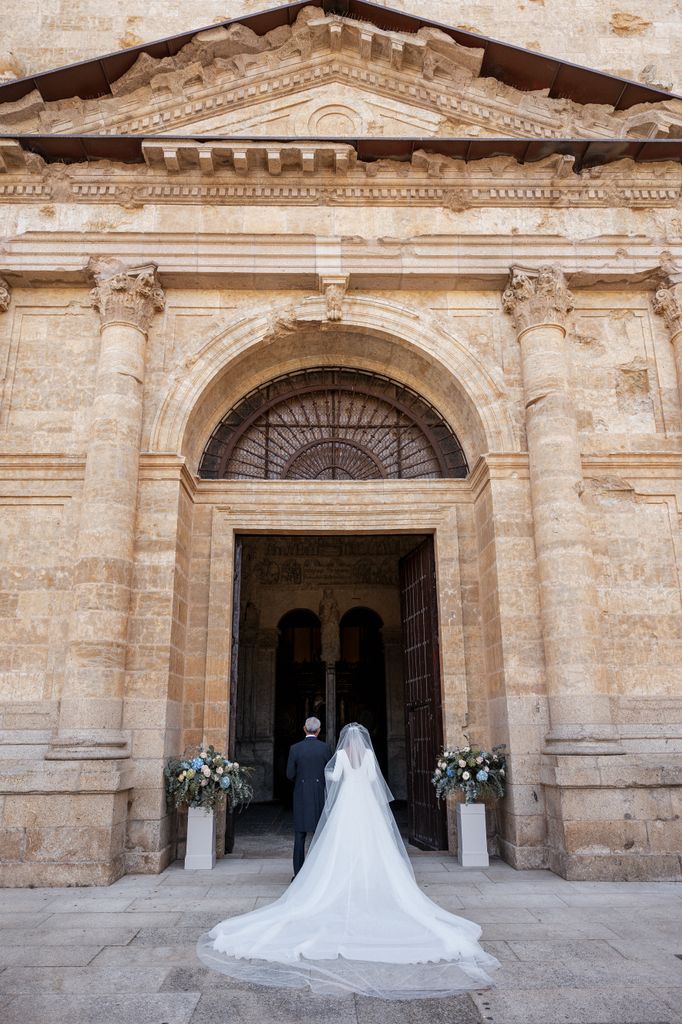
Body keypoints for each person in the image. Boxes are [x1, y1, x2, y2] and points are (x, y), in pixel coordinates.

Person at [197, 723, 500, 1000]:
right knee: (373, 846)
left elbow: (336, 778)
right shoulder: (368, 756)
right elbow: (372, 781)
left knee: (336, 847)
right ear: (364, 740)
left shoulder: (340, 755)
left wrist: (326, 776)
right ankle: (371, 881)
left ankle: (337, 882)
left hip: (346, 807)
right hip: (366, 807)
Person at [285, 716, 333, 876]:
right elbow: (330, 771)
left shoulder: (295, 748)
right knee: (319, 835)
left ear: (304, 729)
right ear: (319, 731)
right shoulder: (325, 748)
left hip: (301, 794)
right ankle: (319, 874)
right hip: (319, 793)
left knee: (299, 835)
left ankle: (298, 875)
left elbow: (289, 774)